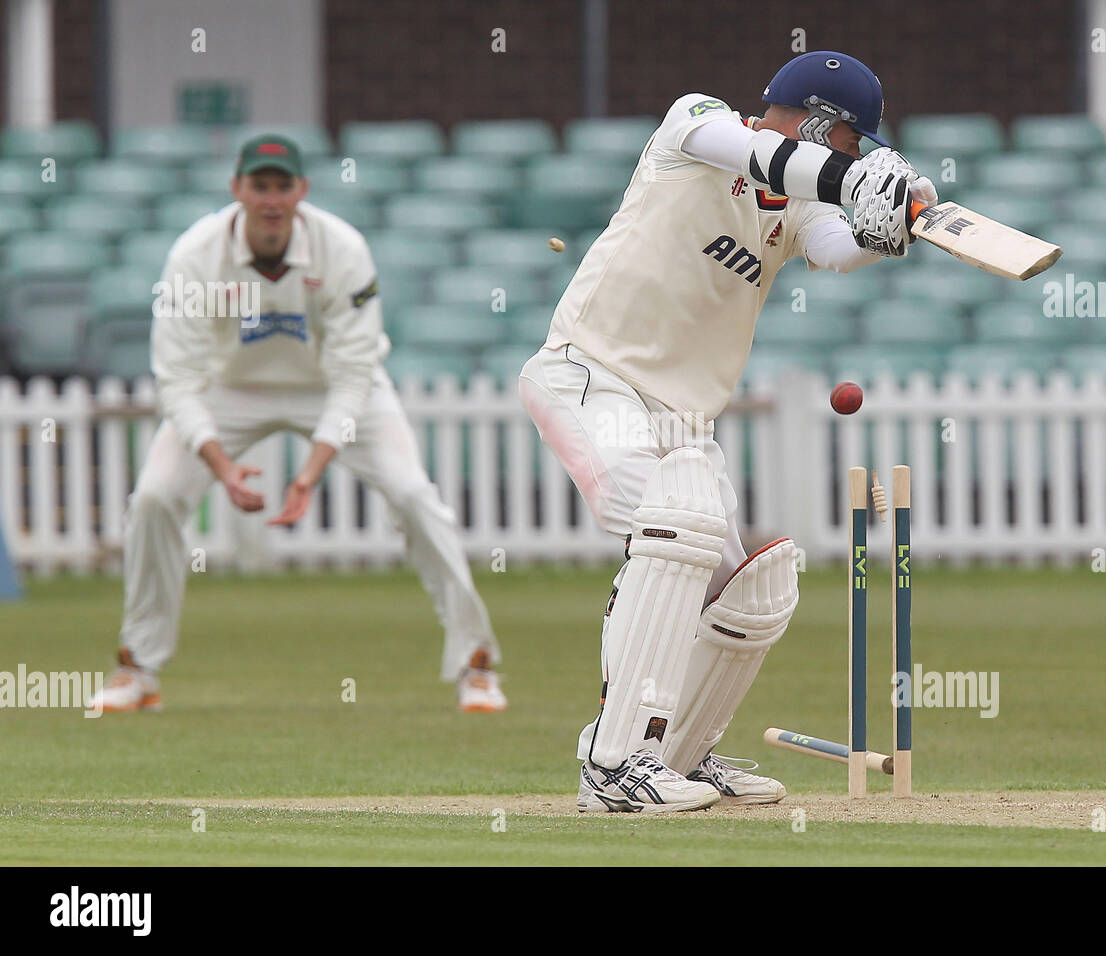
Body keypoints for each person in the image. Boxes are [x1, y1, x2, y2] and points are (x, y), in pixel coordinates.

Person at [520, 51, 936, 812]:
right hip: (591, 375)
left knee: (754, 588)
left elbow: (834, 250)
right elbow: (749, 151)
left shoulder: (799, 204)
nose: (850, 161)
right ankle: (615, 764)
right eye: (849, 144)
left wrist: (890, 228)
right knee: (678, 526)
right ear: (817, 123)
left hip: (684, 417)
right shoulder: (695, 124)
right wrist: (853, 182)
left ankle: (677, 753)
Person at [90, 134, 506, 714]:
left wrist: (310, 474)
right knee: (156, 499)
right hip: (229, 387)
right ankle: (139, 667)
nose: (270, 199)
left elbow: (355, 372)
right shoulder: (194, 255)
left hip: (331, 388)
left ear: (301, 192)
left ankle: (476, 663)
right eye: (258, 185)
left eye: (282, 186)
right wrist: (222, 466)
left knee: (414, 496)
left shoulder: (342, 248)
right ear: (237, 189)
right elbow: (178, 379)